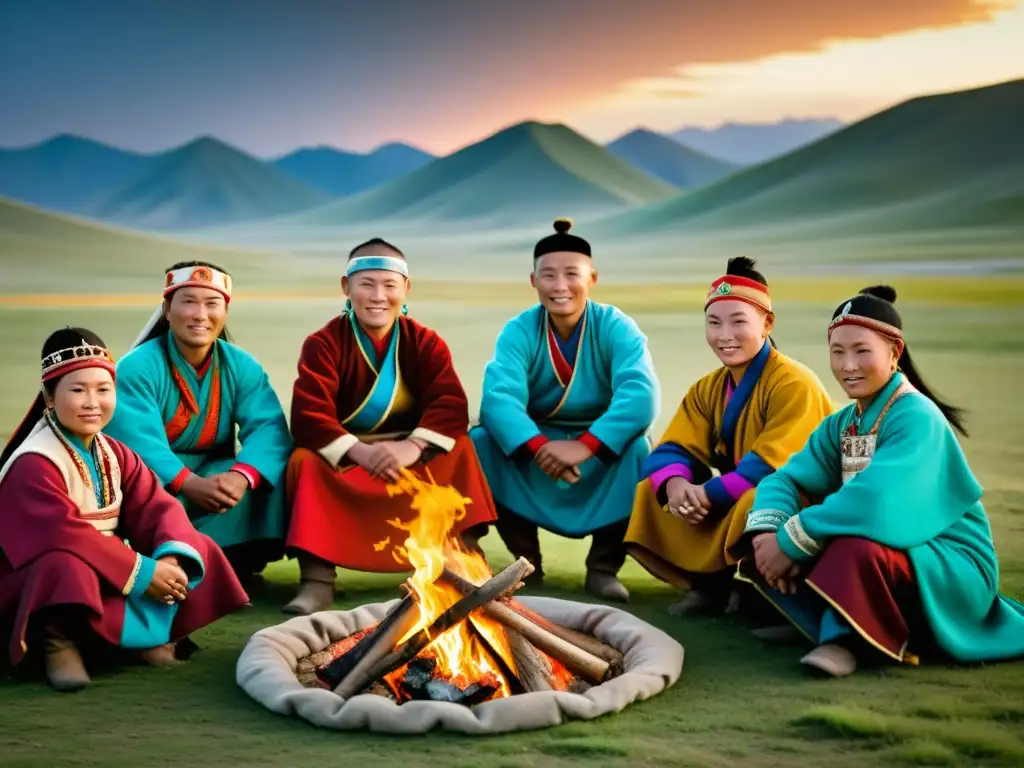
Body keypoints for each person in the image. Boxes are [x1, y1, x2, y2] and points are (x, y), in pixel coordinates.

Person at [737, 286, 1024, 677]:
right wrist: (770, 535)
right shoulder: (843, 423)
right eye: (837, 352)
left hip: (950, 566)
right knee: (780, 528)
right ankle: (822, 620)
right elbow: (785, 479)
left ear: (894, 353)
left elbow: (876, 503)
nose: (847, 364)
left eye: (861, 350)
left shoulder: (916, 416)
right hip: (894, 550)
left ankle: (845, 640)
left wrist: (791, 540)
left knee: (851, 542)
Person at [0, 327, 249, 692]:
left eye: (103, 390)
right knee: (63, 565)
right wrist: (142, 572)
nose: (92, 402)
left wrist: (168, 560)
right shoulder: (34, 462)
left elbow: (157, 507)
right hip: (39, 582)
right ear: (49, 398)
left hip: (106, 567)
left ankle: (140, 641)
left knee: (196, 545)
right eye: (77, 390)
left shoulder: (115, 452)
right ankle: (58, 644)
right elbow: (63, 533)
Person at [284, 238, 498, 615]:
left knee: (462, 448)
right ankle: (317, 581)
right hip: (349, 457)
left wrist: (411, 447)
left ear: (406, 289)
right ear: (346, 287)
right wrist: (360, 451)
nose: (377, 296)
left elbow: (450, 404)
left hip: (408, 456)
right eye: (366, 284)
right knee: (305, 460)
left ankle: (462, 565)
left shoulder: (426, 342)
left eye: (389, 285)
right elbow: (308, 413)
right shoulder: (323, 343)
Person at [626, 258, 833, 614]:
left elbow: (772, 466)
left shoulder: (793, 383)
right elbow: (670, 449)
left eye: (739, 322)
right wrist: (677, 486)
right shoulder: (708, 388)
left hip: (804, 498)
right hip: (736, 491)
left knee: (756, 502)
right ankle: (709, 588)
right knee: (652, 493)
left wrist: (706, 494)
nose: (725, 335)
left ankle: (780, 602)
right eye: (714, 322)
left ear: (767, 324)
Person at [470, 218, 660, 603]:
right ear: (533, 281)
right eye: (548, 276)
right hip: (537, 444)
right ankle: (527, 563)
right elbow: (498, 400)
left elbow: (640, 395)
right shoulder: (519, 330)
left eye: (571, 274)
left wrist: (586, 445)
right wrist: (540, 447)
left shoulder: (616, 326)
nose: (560, 286)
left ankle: (603, 568)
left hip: (598, 445)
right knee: (482, 442)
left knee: (639, 449)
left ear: (592, 277)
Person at [104, 261, 293, 586]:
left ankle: (238, 562)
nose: (200, 314)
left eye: (211, 303)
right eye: (188, 301)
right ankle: (183, 563)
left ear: (225, 310)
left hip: (217, 473)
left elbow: (269, 429)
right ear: (166, 309)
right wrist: (190, 483)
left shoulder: (241, 365)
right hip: (158, 480)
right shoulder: (137, 367)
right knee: (154, 500)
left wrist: (240, 476)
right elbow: (136, 443)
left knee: (276, 476)